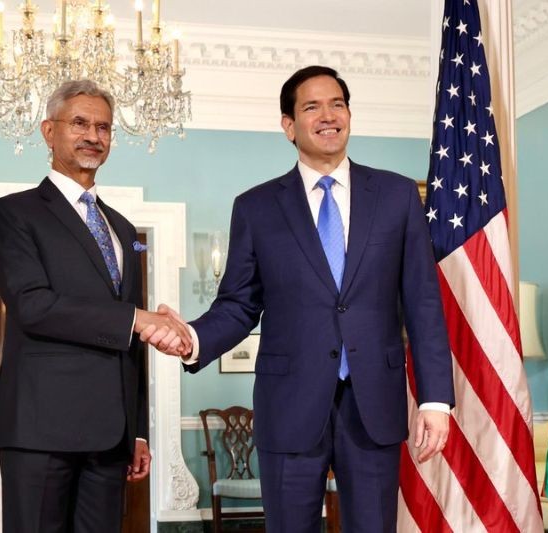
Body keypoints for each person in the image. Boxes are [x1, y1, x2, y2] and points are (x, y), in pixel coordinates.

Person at [148, 66, 455, 532]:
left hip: (374, 404)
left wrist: (435, 399)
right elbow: (238, 305)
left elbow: (423, 301)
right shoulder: (255, 207)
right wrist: (192, 337)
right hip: (288, 405)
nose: (328, 116)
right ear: (289, 125)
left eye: (338, 104)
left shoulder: (396, 195)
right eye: (312, 107)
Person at [0, 79, 191, 533]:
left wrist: (137, 430)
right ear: (48, 131)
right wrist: (137, 318)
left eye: (104, 127)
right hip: (40, 428)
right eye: (79, 123)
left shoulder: (123, 228)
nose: (93, 136)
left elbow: (131, 343)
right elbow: (33, 306)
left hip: (111, 436)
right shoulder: (15, 212)